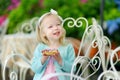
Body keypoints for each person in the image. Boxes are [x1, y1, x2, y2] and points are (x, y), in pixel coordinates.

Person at [31, 9, 75, 80]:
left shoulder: (68, 47)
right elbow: (34, 68)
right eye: (50, 26)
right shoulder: (40, 48)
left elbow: (73, 69)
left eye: (58, 24)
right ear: (43, 33)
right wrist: (43, 59)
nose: (56, 28)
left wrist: (60, 60)